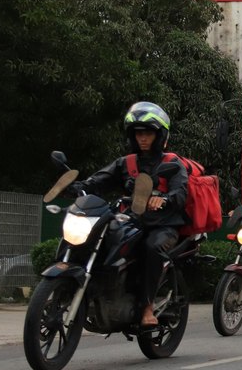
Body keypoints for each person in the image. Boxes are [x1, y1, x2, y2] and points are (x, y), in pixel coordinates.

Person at [70, 101, 188, 327]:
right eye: (138, 133)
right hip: (132, 221)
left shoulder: (172, 163)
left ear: (160, 135)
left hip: (164, 226)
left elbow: (180, 193)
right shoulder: (126, 162)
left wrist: (163, 199)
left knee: (150, 248)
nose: (143, 138)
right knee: (101, 237)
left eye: (148, 133)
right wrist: (79, 186)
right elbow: (99, 180)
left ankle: (147, 307)